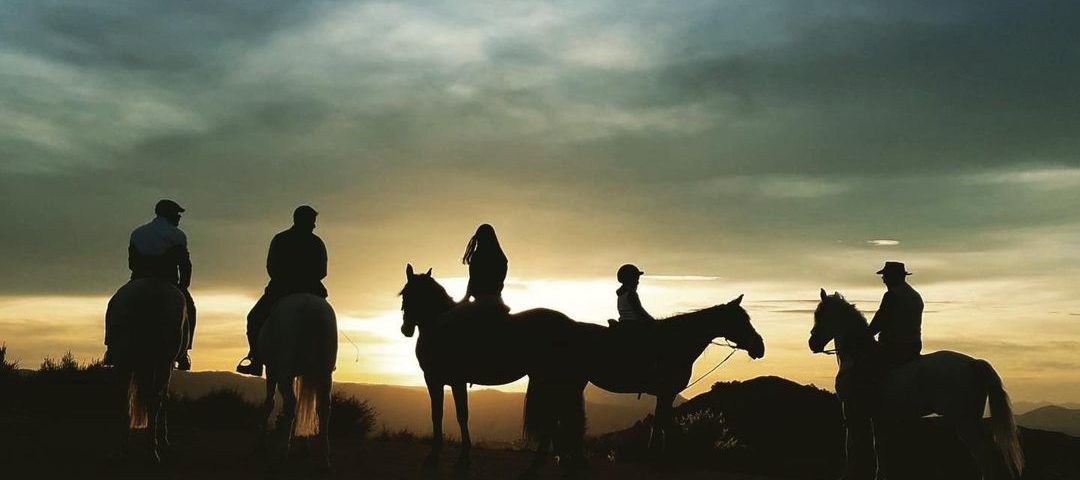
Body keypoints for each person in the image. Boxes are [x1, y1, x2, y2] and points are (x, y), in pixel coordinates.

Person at [236, 205, 328, 376]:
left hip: (281, 289)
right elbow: (322, 272)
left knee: (255, 318)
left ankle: (255, 359)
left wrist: (287, 279)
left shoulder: (280, 239)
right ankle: (327, 360)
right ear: (305, 221)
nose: (314, 226)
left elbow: (271, 267)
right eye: (312, 222)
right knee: (326, 321)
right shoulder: (317, 243)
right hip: (311, 290)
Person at [105, 199, 196, 370]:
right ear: (169, 214)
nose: (179, 218)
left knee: (114, 304)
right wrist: (183, 287)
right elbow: (185, 265)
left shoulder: (137, 233)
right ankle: (183, 353)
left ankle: (111, 347)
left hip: (139, 278)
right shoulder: (178, 235)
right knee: (189, 308)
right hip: (167, 280)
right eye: (177, 214)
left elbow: (131, 263)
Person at [868, 261, 923, 370]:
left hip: (892, 347)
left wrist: (864, 335)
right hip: (914, 346)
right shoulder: (915, 295)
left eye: (886, 276)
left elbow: (880, 320)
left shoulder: (891, 295)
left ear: (894, 277)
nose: (883, 279)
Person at [458, 224, 508, 310]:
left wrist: (465, 298)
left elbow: (472, 281)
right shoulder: (501, 258)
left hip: (480, 303)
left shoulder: (478, 257)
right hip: (498, 302)